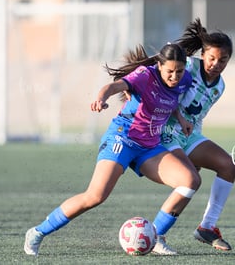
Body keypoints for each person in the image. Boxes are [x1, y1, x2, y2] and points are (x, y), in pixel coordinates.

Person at [24, 43, 201, 256]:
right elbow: (114, 87)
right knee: (95, 196)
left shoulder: (185, 81)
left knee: (190, 181)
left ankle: (156, 236)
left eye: (179, 71)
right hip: (123, 138)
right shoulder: (144, 75)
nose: (175, 76)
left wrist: (181, 119)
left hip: (149, 146)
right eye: (169, 71)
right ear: (159, 65)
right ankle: (37, 232)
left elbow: (169, 102)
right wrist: (101, 98)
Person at [160, 18, 235, 251]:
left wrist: (196, 151)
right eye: (212, 58)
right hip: (166, 131)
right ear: (203, 54)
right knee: (190, 181)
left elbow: (198, 116)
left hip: (189, 136)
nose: (216, 64)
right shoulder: (188, 67)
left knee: (229, 165)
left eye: (223, 60)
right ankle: (157, 234)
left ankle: (207, 227)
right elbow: (161, 81)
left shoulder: (220, 86)